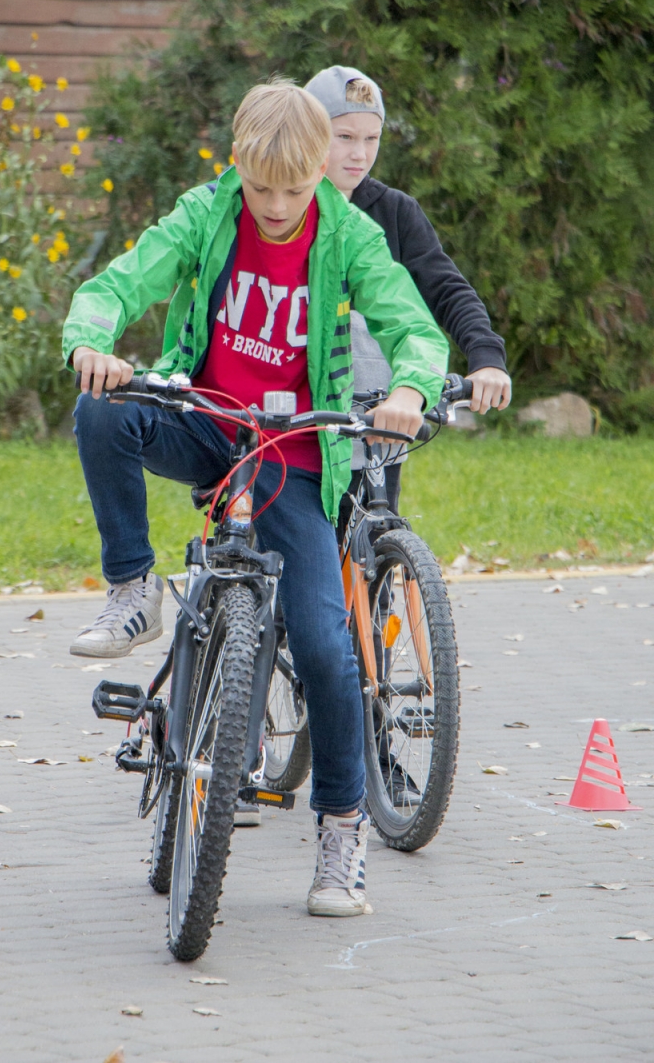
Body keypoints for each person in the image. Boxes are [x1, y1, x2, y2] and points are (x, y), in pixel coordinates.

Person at [62, 79, 449, 918]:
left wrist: (411, 388)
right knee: (102, 411)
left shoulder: (347, 235)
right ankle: (133, 590)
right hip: (208, 426)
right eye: (260, 187)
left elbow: (414, 326)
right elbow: (121, 282)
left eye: (294, 189)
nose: (275, 207)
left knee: (324, 641)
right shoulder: (207, 212)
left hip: (296, 456)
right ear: (237, 166)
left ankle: (342, 825)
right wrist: (93, 339)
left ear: (320, 173)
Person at [304, 65, 511, 513]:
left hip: (378, 417)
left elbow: (446, 289)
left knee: (374, 542)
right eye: (344, 138)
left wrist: (486, 357)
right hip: (298, 421)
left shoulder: (396, 211)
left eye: (371, 139)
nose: (360, 154)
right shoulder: (282, 207)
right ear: (309, 132)